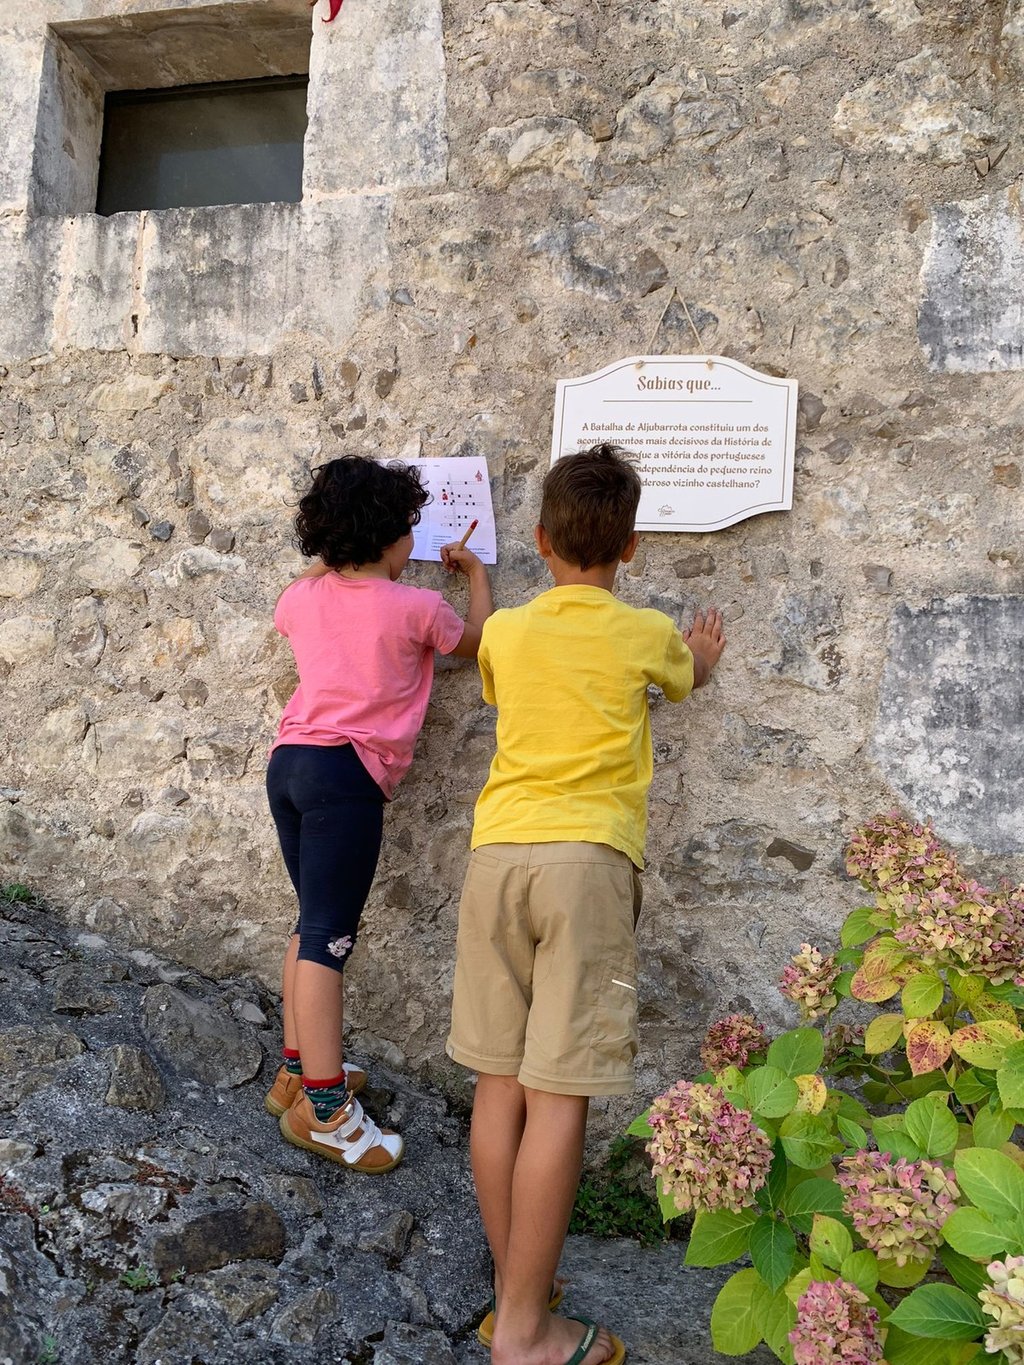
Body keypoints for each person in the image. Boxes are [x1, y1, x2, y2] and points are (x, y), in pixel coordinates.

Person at [446, 444, 726, 1365]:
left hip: (498, 856)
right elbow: (685, 673)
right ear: (631, 546)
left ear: (541, 539)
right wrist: (706, 655)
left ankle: (515, 1289)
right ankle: (526, 1331)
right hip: (587, 863)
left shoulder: (512, 633)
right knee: (557, 1092)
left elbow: (494, 665)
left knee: (497, 1081)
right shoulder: (643, 629)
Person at [265, 454, 492, 1172]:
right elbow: (479, 643)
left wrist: (335, 563)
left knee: (308, 923)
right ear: (393, 535)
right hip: (346, 776)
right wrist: (476, 577)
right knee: (329, 940)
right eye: (410, 531)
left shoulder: (301, 598)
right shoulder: (418, 608)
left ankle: (297, 1073)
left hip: (290, 763)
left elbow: (306, 595)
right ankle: (328, 1113)